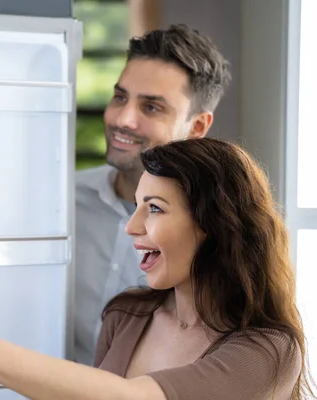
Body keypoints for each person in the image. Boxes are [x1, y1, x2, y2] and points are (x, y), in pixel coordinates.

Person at [0, 137, 314, 400]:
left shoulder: (267, 352)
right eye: (136, 206)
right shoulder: (127, 313)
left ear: (214, 225)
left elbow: (129, 398)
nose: (132, 226)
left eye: (154, 209)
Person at [74, 23, 232, 366]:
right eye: (120, 97)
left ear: (197, 127)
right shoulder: (62, 203)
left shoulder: (220, 236)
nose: (122, 120)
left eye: (151, 107)